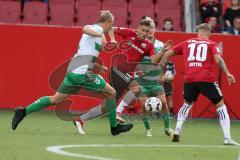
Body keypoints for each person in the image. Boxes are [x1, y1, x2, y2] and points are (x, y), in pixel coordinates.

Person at [11, 10, 133, 136]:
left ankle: (23, 112)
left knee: (56, 99)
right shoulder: (95, 29)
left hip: (74, 71)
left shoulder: (96, 37)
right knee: (111, 93)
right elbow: (85, 28)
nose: (110, 28)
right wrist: (100, 33)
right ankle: (114, 127)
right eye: (111, 25)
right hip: (82, 74)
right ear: (107, 23)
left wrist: (98, 66)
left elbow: (88, 54)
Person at [73, 17, 173, 135]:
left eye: (147, 31)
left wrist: (162, 52)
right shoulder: (129, 33)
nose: (145, 33)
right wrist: (113, 40)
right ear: (138, 29)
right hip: (117, 69)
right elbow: (111, 28)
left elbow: (154, 62)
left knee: (106, 105)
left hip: (125, 74)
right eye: (143, 30)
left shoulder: (149, 45)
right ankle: (117, 113)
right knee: (137, 88)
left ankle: (80, 120)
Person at [161, 23, 239, 145]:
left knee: (186, 104)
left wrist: (162, 72)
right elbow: (218, 59)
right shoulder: (211, 44)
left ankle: (177, 131)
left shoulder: (187, 42)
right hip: (206, 78)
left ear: (198, 32)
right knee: (221, 106)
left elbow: (167, 54)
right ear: (209, 33)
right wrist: (228, 73)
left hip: (189, 79)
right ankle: (227, 137)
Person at [116, 16, 174, 137]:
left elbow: (163, 62)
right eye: (148, 28)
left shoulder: (159, 45)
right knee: (143, 105)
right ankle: (148, 129)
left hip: (155, 80)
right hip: (141, 80)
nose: (150, 30)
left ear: (154, 29)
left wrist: (162, 74)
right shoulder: (139, 42)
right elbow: (133, 58)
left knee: (163, 102)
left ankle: (167, 128)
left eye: (152, 27)